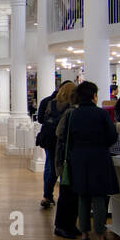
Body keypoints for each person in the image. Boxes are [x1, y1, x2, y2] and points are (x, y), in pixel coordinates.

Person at [62, 80, 120, 240]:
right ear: (94, 96)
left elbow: (68, 139)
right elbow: (111, 137)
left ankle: (85, 235)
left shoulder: (73, 114)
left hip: (78, 159)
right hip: (99, 158)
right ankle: (101, 238)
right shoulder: (101, 114)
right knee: (99, 198)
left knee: (83, 197)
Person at [37, 81, 74, 209]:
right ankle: (58, 195)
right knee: (60, 167)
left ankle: (47, 195)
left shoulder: (48, 102)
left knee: (50, 167)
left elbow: (40, 119)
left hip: (48, 139)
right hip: (61, 141)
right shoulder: (71, 107)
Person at [53, 84, 82, 238]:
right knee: (67, 194)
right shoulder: (70, 113)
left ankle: (69, 224)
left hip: (66, 157)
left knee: (71, 194)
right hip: (67, 158)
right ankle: (62, 225)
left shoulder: (69, 111)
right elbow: (60, 133)